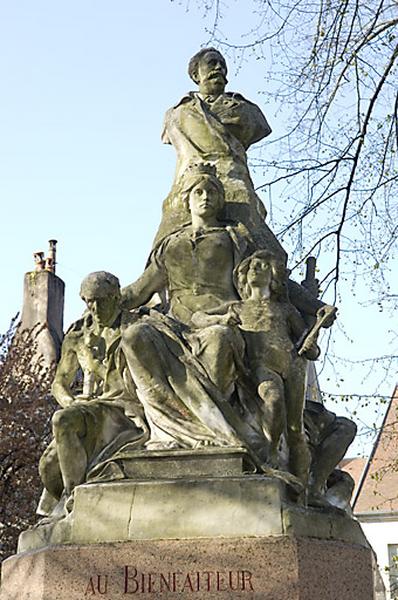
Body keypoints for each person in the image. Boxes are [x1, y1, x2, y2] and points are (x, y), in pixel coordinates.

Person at [192, 250, 319, 487]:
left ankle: (303, 490)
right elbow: (197, 317)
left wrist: (313, 341)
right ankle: (270, 454)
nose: (257, 269)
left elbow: (308, 343)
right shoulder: (237, 308)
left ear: (273, 275)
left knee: (295, 428)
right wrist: (219, 321)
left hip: (292, 366)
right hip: (261, 367)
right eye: (253, 266)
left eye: (263, 265)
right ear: (243, 275)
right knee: (273, 398)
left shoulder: (285, 309)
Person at [153, 47, 285, 256]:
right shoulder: (177, 114)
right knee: (165, 249)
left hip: (234, 180)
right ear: (196, 74)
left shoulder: (246, 111)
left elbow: (258, 127)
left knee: (261, 249)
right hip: (188, 183)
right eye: (212, 63)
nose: (219, 68)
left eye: (223, 65)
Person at [38, 272, 147, 518]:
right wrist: (70, 402)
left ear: (116, 297)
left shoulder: (135, 329)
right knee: (47, 466)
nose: (95, 308)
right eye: (89, 301)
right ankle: (69, 493)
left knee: (62, 421)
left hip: (124, 409)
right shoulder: (77, 337)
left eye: (101, 300)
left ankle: (74, 500)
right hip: (89, 409)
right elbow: (59, 383)